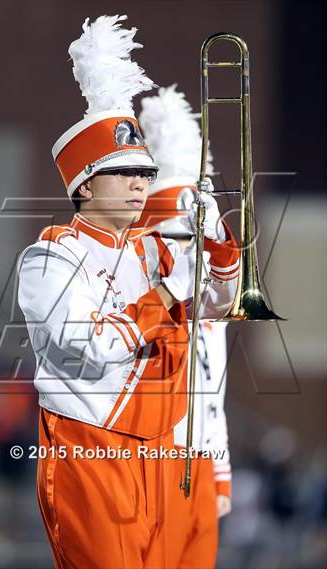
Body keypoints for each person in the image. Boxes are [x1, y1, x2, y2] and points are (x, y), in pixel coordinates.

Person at [18, 17, 238, 569]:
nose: (142, 182)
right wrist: (168, 291)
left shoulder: (150, 251)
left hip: (160, 449)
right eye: (126, 171)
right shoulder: (50, 257)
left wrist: (220, 248)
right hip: (92, 446)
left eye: (146, 171)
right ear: (85, 184)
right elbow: (91, 343)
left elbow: (216, 307)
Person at [138, 84, 235, 568]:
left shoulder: (210, 314)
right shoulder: (146, 297)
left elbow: (214, 396)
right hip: (157, 461)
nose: (186, 248)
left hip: (200, 461)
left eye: (192, 236)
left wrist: (219, 472)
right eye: (177, 237)